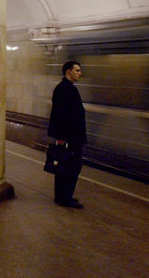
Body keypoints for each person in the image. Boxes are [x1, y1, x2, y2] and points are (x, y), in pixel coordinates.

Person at [48, 60, 87, 209]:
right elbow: (61, 115)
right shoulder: (66, 89)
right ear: (69, 72)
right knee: (71, 166)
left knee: (66, 166)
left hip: (70, 136)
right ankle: (65, 198)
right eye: (77, 70)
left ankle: (63, 196)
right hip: (70, 137)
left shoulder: (65, 88)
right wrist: (62, 138)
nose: (80, 73)